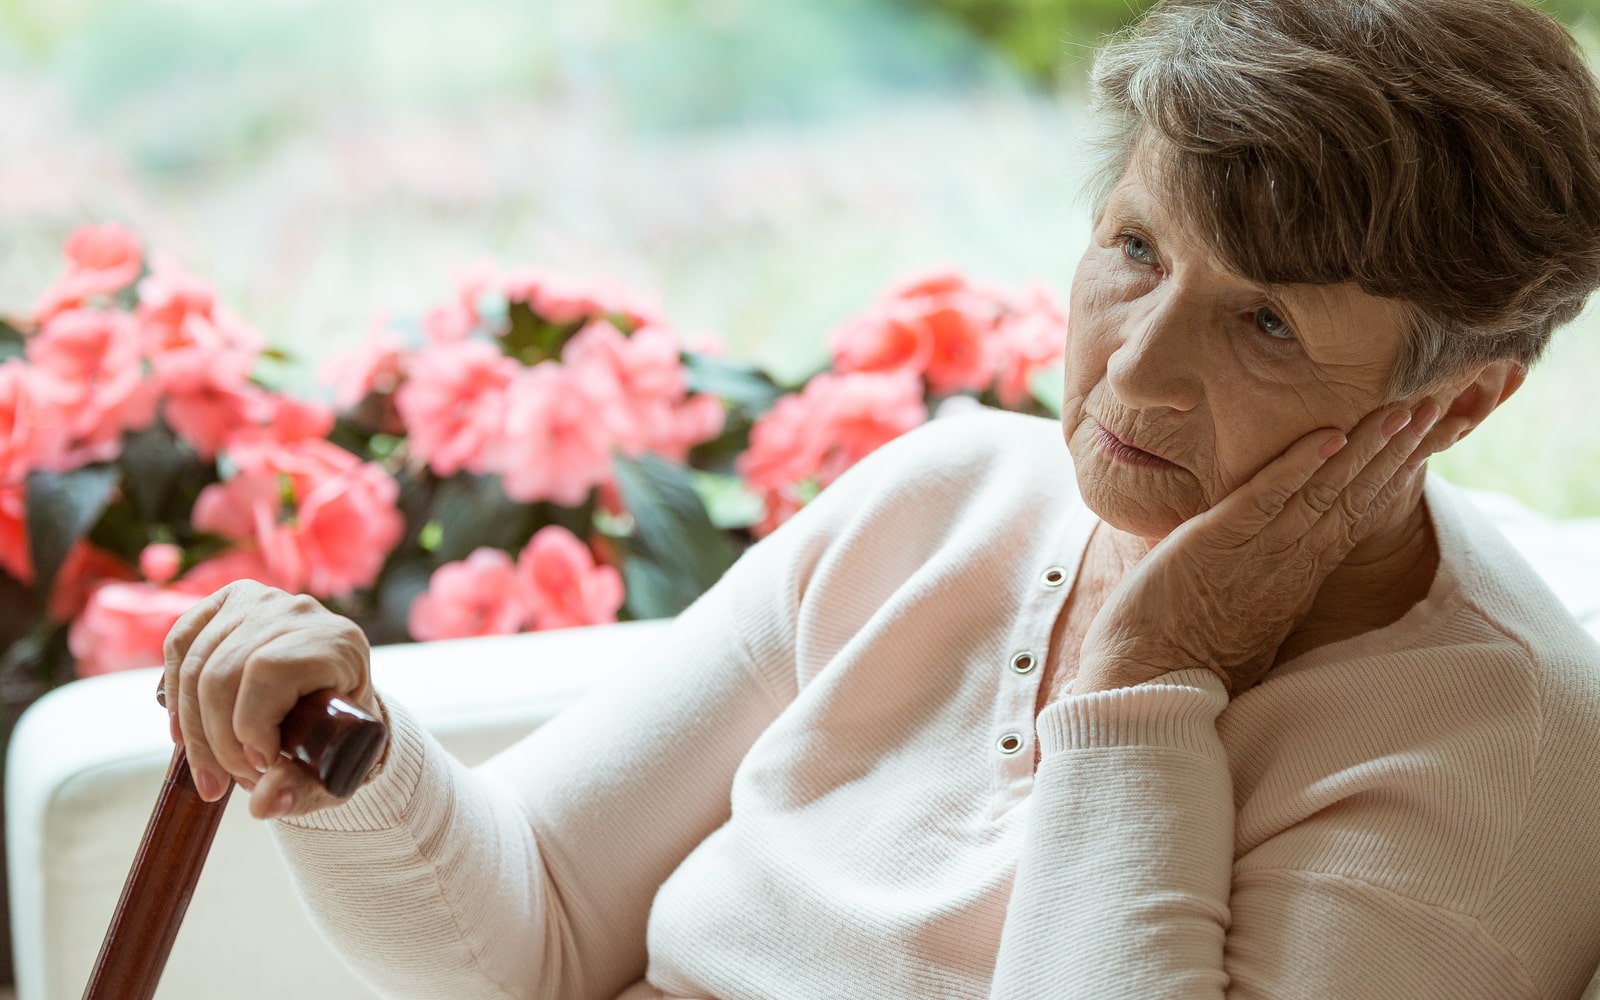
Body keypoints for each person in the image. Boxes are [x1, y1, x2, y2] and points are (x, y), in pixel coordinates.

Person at [161, 1, 1600, 997]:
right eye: (1137, 250)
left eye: (1266, 324)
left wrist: (1149, 684)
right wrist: (352, 753)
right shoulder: (955, 493)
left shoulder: (1493, 752)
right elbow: (529, 931)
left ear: (1460, 403)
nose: (1133, 377)